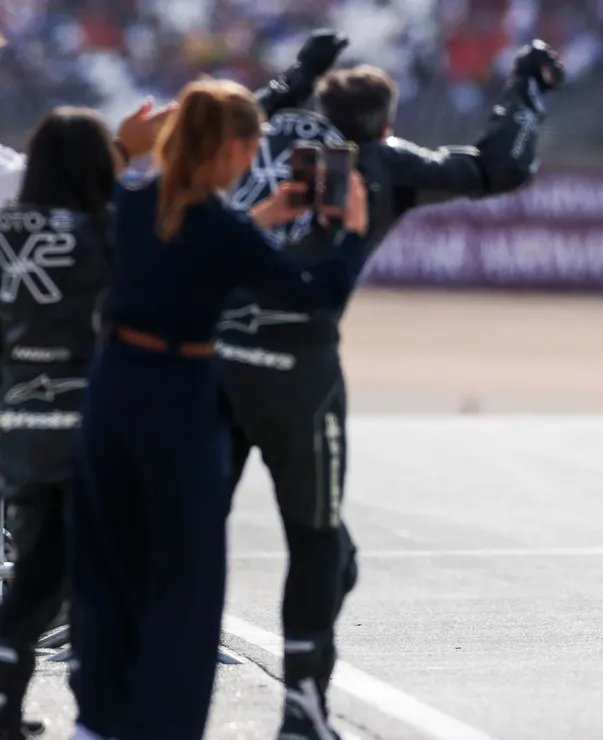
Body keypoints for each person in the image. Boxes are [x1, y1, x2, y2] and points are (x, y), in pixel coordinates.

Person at [217, 39, 565, 739]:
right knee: (321, 547)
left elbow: (213, 121)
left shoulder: (256, 133)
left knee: (187, 528)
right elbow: (499, 166)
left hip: (208, 358)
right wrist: (526, 86)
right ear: (382, 123)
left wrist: (295, 79)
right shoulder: (382, 161)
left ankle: (133, 663)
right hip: (298, 367)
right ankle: (302, 709)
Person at [68, 78, 369, 740]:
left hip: (112, 387)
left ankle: (94, 719)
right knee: (186, 578)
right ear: (233, 148)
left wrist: (257, 218)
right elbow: (313, 292)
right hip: (178, 397)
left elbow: (175, 239)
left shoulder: (135, 199)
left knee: (108, 560)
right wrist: (351, 232)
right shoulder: (219, 227)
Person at [0, 101, 176, 740]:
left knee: (38, 575)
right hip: (91, 424)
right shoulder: (106, 230)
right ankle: (101, 711)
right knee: (103, 574)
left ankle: (7, 706)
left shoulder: (4, 229)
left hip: (17, 426)